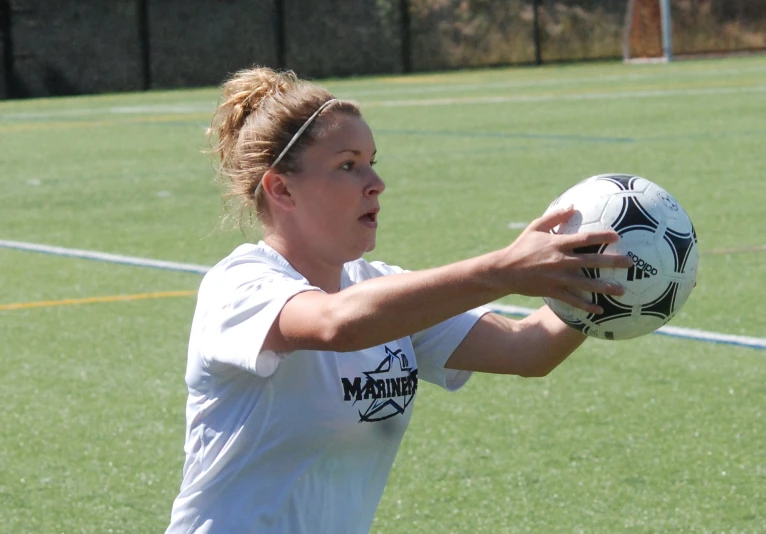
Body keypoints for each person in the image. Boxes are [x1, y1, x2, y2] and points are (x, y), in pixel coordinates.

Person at [165, 66, 633, 534]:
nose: (376, 182)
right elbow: (337, 325)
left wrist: (607, 279)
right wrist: (502, 270)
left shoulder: (380, 288)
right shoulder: (239, 285)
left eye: (372, 160)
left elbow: (526, 349)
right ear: (281, 188)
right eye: (348, 165)